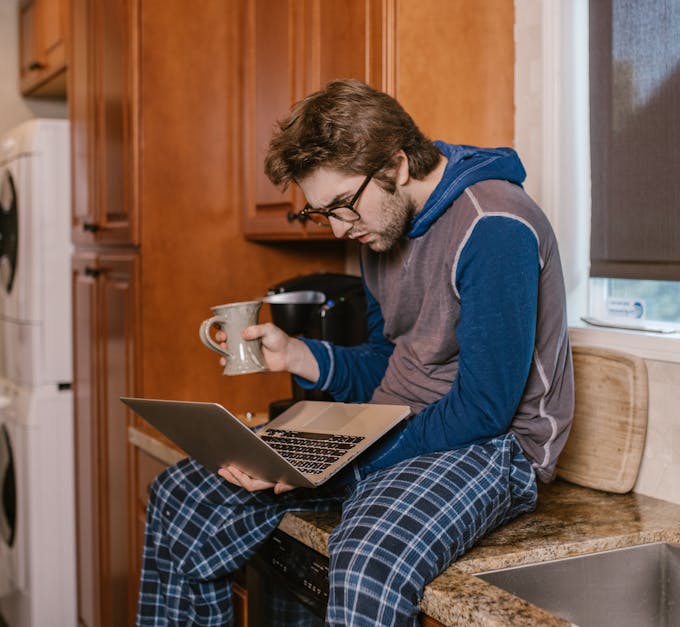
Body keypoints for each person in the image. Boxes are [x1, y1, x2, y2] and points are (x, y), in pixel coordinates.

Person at [137, 79, 574, 626]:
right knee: (183, 497)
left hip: (497, 449)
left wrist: (336, 464)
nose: (341, 229)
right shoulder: (381, 228)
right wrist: (298, 355)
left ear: (397, 164)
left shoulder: (494, 226)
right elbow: (388, 366)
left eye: (343, 205)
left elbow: (484, 410)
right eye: (323, 213)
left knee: (369, 555)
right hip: (393, 424)